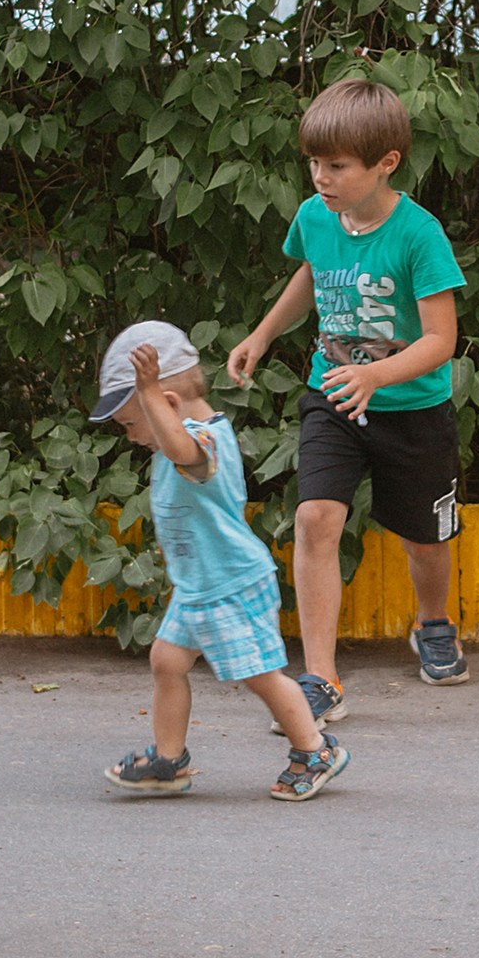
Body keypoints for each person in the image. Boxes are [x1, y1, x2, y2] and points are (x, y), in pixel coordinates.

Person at [227, 75, 468, 722]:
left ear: (386, 162)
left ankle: (434, 621)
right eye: (313, 162)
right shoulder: (315, 218)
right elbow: (310, 272)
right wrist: (261, 333)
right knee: (315, 520)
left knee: (424, 541)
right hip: (332, 395)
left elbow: (442, 339)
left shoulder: (419, 234)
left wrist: (377, 376)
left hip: (412, 408)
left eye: (336, 166)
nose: (320, 178)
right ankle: (321, 677)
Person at [92, 320, 349, 802]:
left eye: (131, 422)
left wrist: (147, 392)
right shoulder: (178, 439)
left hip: (231, 583)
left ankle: (315, 750)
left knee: (260, 674)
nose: (129, 437)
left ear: (168, 405)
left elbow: (181, 449)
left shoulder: (202, 442)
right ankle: (170, 759)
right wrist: (145, 397)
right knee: (167, 661)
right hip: (198, 587)